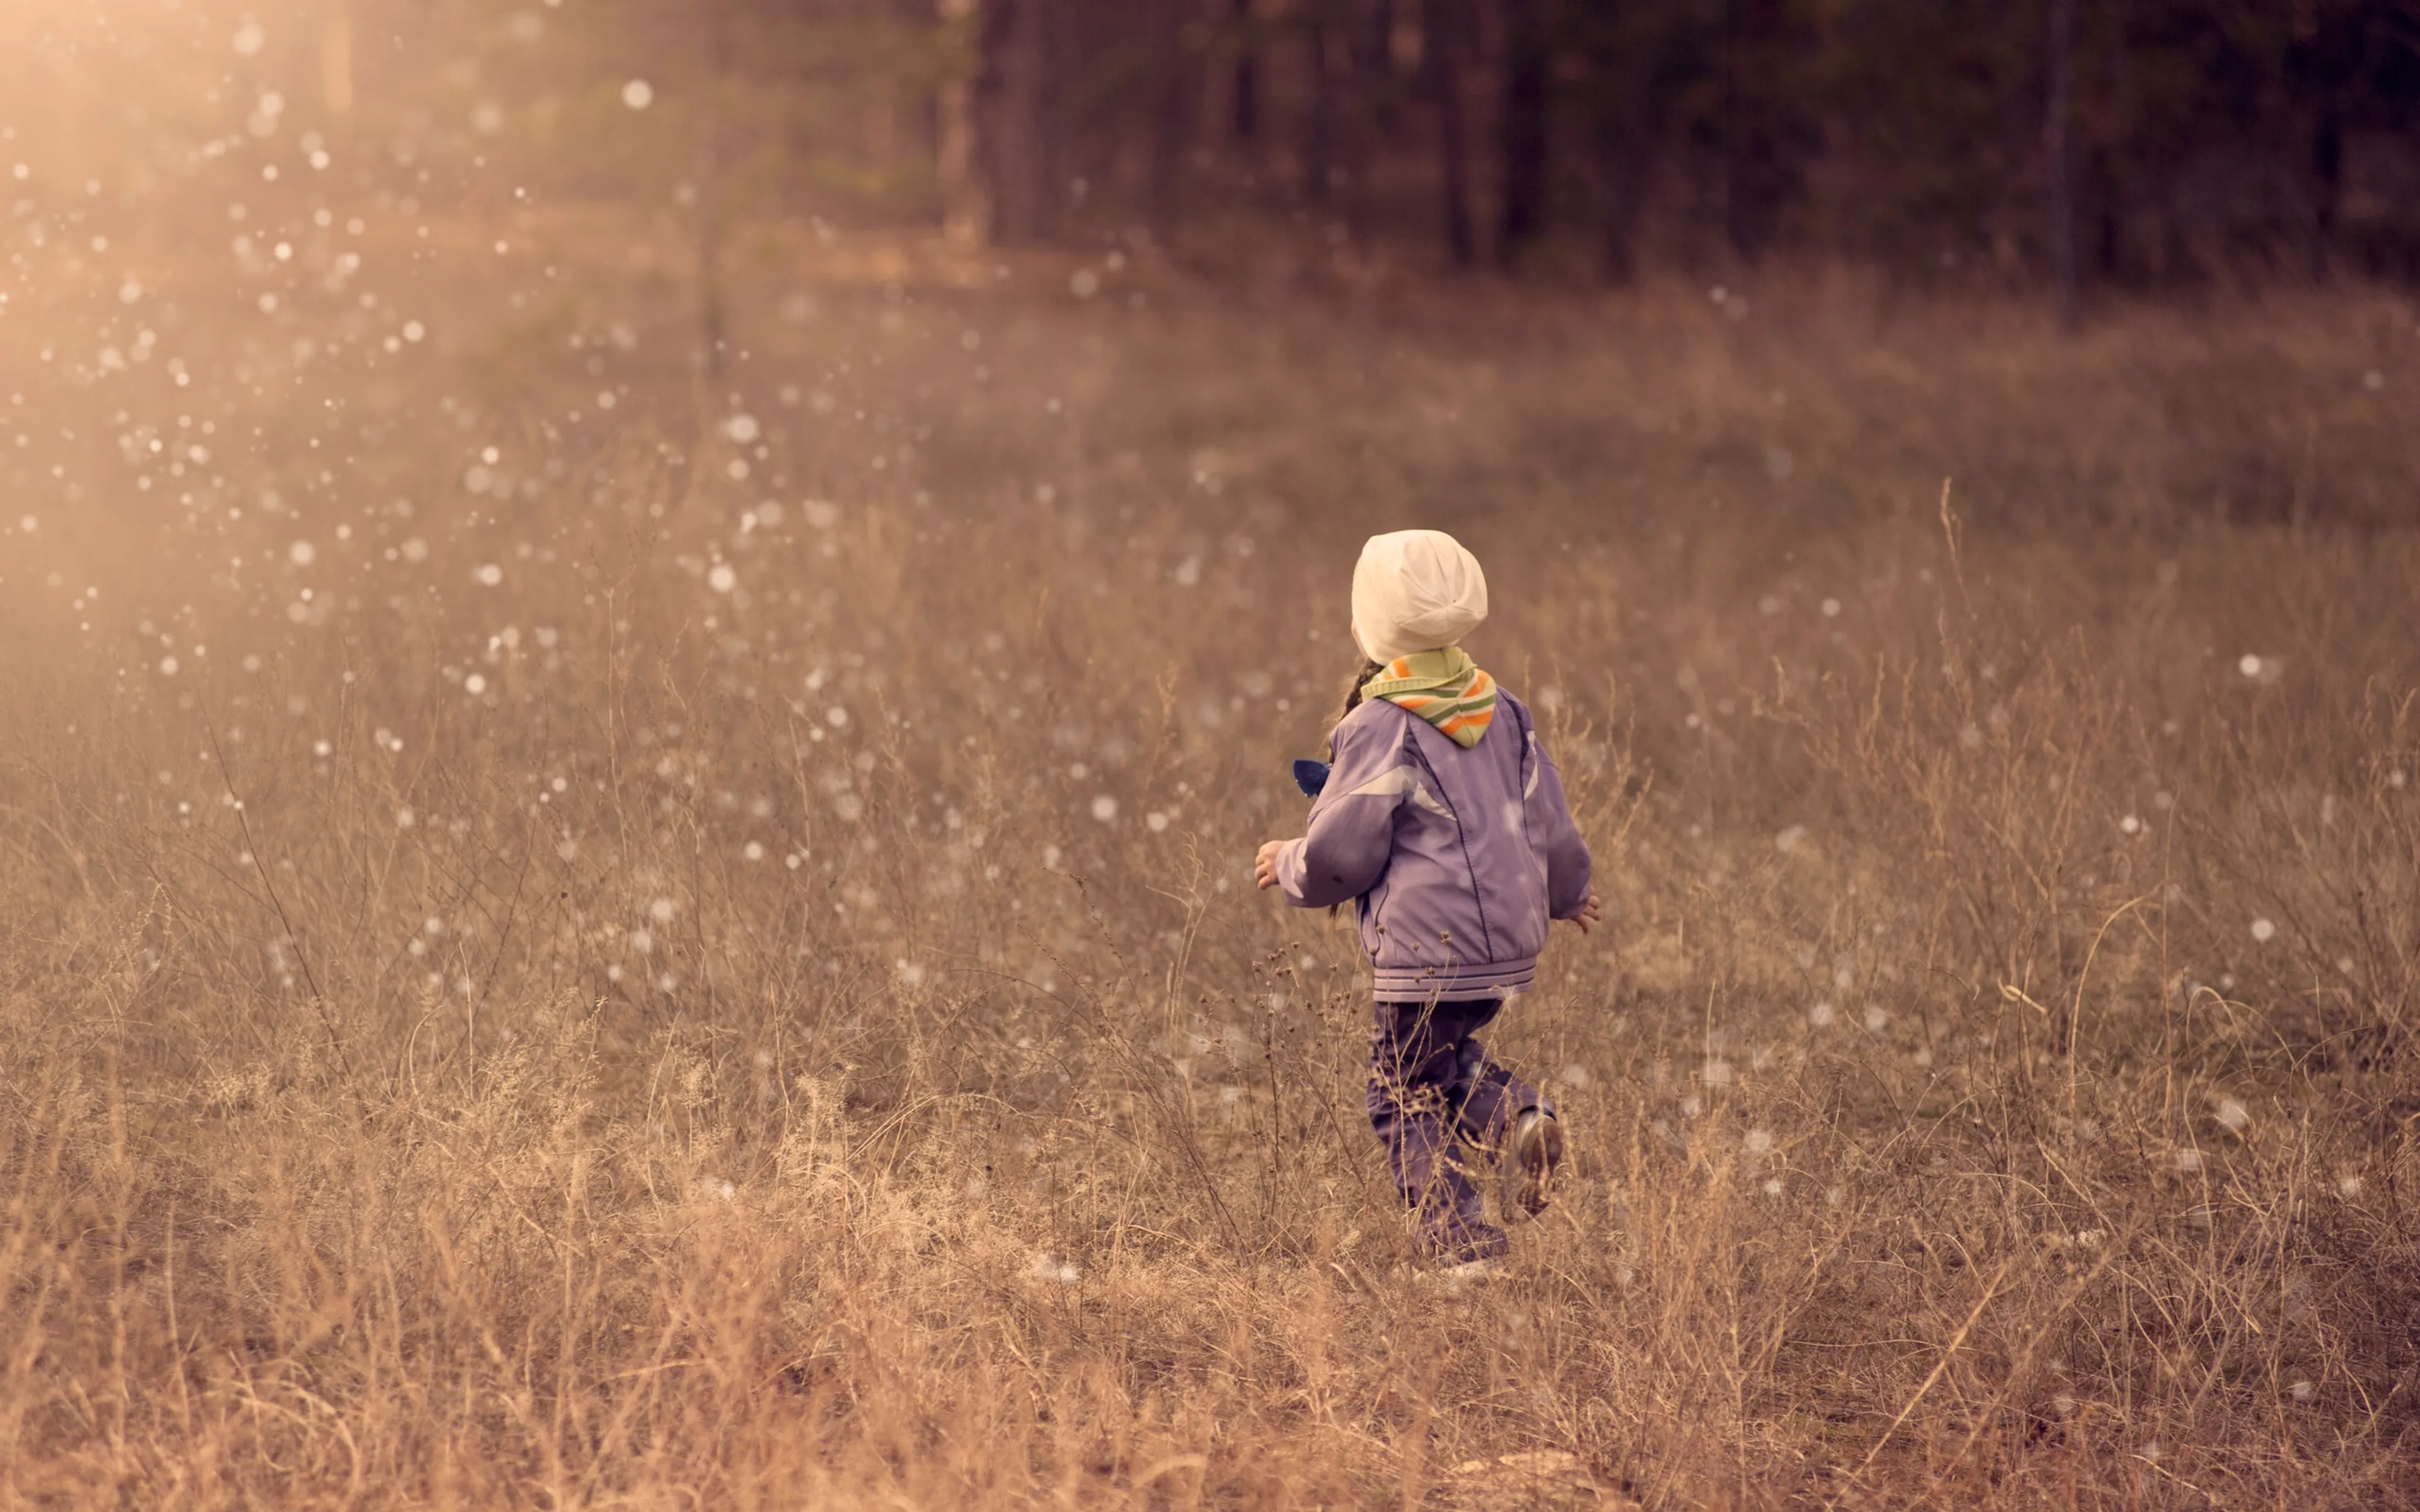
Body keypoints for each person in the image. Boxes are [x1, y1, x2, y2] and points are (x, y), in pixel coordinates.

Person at [1255, 529, 1599, 1269]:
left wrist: (1289, 862)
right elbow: (1549, 819)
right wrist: (1568, 893)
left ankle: (1459, 1246)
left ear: (1367, 630)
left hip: (1426, 949)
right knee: (1438, 1066)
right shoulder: (1506, 712)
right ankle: (1519, 1117)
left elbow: (1343, 853)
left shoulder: (1381, 725)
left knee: (1399, 1094)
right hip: (1505, 947)